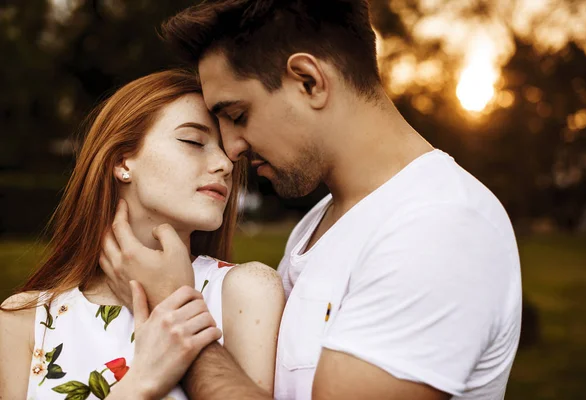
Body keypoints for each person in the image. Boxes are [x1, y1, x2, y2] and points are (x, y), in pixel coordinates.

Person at [100, 1, 523, 399]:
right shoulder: (322, 222)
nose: (230, 150)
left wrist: (178, 315)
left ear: (309, 81)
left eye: (238, 115)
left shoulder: (439, 227)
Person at [0, 70, 285, 400]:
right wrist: (141, 383)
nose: (225, 163)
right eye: (193, 141)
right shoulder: (25, 318)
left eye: (226, 150)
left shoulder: (245, 292)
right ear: (122, 161)